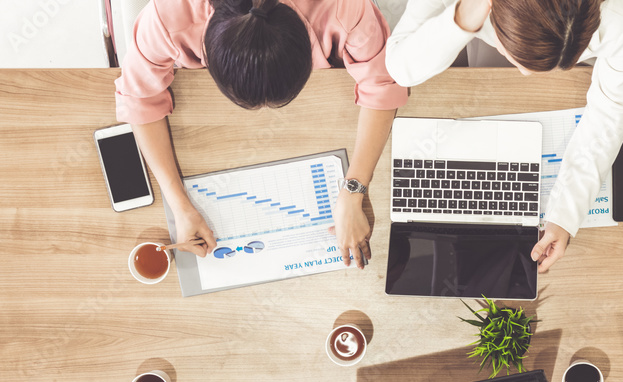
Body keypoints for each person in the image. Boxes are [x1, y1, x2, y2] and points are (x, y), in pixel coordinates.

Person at [115, 0, 408, 268]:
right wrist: (178, 205)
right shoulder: (168, 14)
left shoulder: (346, 7)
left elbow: (382, 85)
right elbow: (138, 98)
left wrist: (353, 191)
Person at [384, 0, 623, 273]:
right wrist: (464, 16)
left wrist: (566, 214)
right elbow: (400, 68)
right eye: (523, 64)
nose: (525, 74)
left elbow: (612, 107)